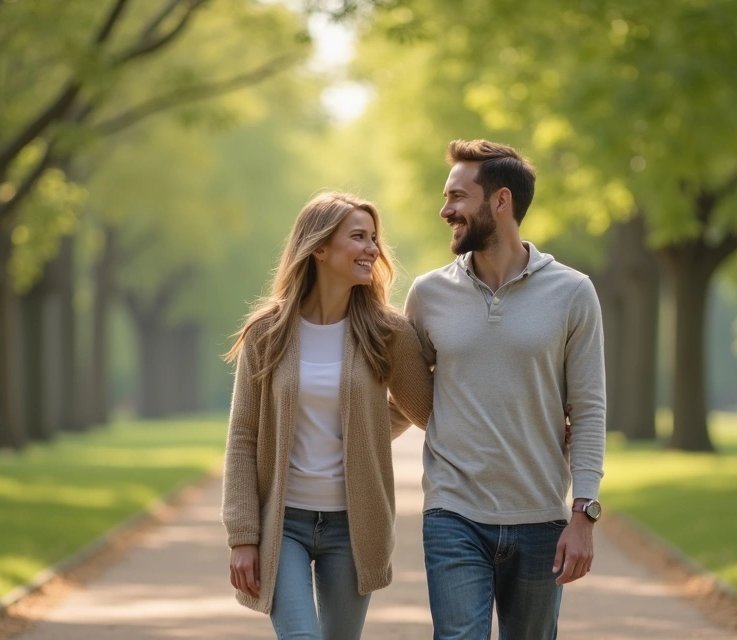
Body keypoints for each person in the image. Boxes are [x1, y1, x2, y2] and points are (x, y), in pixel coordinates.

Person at [402, 139, 607, 639]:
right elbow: (407, 398)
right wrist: (340, 441)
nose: (445, 210)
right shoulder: (428, 294)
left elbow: (588, 408)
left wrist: (584, 513)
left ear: (500, 200)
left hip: (540, 514)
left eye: (457, 197)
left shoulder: (573, 292)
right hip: (452, 509)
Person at [221, 192, 433, 639]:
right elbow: (243, 436)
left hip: (353, 527)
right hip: (283, 525)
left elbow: (429, 410)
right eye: (358, 237)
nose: (372, 249)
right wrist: (242, 535)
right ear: (318, 247)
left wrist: (367, 432)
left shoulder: (387, 332)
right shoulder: (267, 333)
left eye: (373, 238)